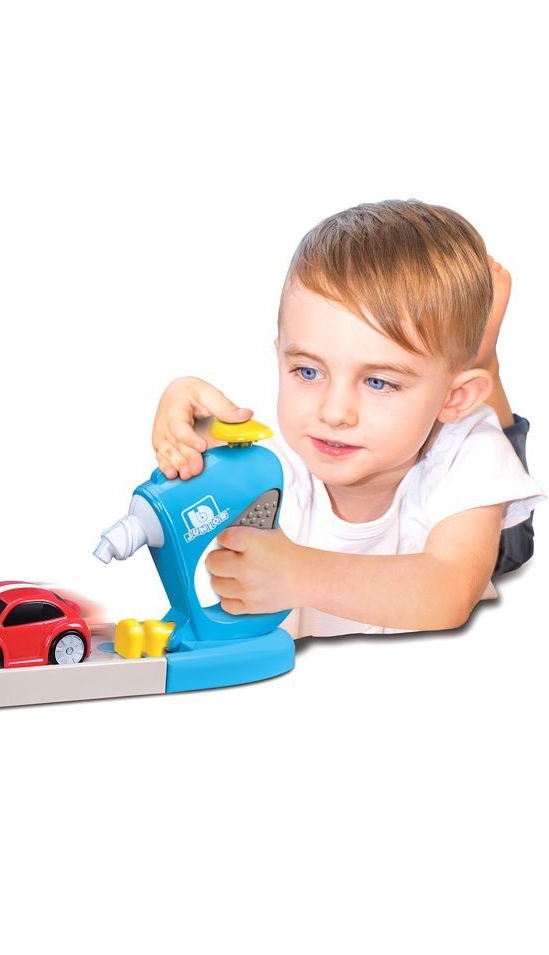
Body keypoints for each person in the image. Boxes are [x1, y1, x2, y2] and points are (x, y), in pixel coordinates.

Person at [151, 200, 544, 637]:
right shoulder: (279, 460)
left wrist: (299, 573)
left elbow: (449, 592)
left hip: (480, 523)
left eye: (378, 382)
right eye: (308, 371)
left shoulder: (468, 452)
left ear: (453, 397)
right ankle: (466, 355)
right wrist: (182, 413)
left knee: (511, 541)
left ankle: (483, 360)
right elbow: (202, 443)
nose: (333, 413)